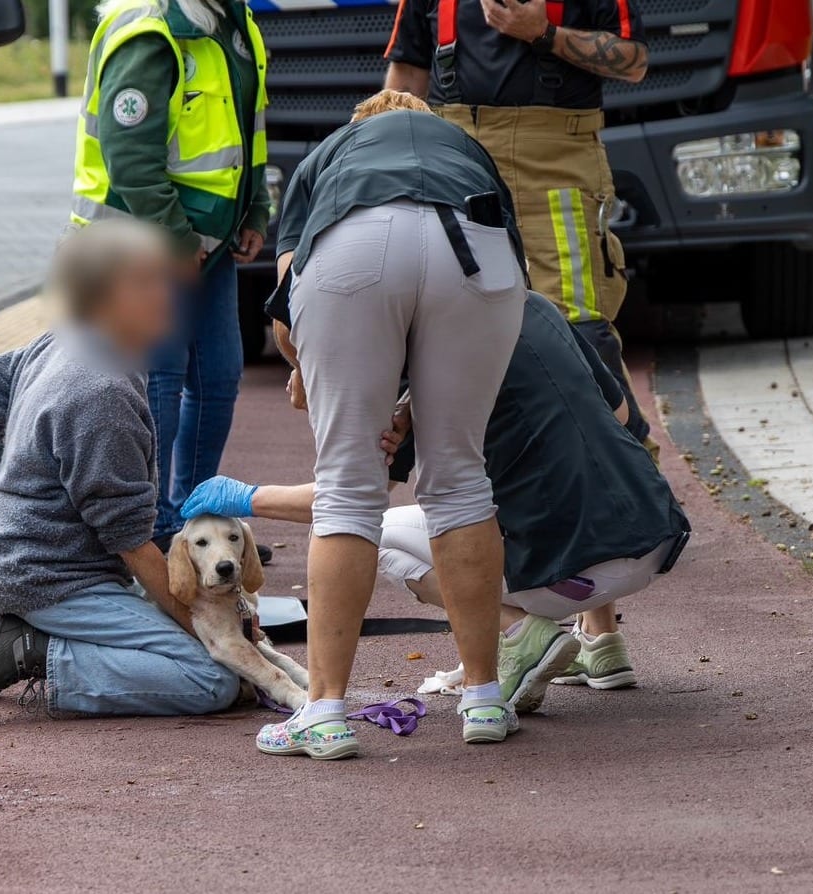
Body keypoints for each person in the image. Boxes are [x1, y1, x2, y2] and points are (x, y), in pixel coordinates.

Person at [187, 291, 690, 713]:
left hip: (570, 576)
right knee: (568, 456)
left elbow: (348, 500)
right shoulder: (533, 304)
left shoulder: (420, 362)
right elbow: (619, 414)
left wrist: (246, 496)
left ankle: (522, 633)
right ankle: (603, 645)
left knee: (381, 535)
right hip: (652, 537)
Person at [253, 89, 529, 760]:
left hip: (354, 243)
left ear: (358, 129)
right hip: (474, 242)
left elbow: (288, 298)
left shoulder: (332, 153)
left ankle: (322, 712)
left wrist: (306, 371)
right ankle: (486, 698)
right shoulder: (464, 148)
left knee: (347, 487)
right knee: (462, 478)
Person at [385, 0, 652, 677]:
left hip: (554, 158)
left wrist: (544, 34)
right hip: (452, 155)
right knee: (451, 349)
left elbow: (635, 60)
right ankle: (518, 638)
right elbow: (404, 80)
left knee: (580, 352)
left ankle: (599, 630)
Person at [0, 221, 238, 726]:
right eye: (146, 283)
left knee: (207, 647)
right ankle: (31, 650)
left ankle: (21, 625)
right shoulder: (101, 393)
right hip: (52, 580)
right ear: (102, 299)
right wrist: (208, 631)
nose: (166, 293)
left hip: (25, 565)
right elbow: (133, 543)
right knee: (213, 677)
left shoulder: (66, 341)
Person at [69, 0, 272, 555]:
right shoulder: (150, 32)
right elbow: (127, 155)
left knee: (218, 376)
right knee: (159, 380)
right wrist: (176, 239)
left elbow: (245, 132)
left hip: (206, 245)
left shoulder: (236, 22)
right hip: (145, 242)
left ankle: (196, 516)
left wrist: (253, 210)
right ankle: (150, 527)